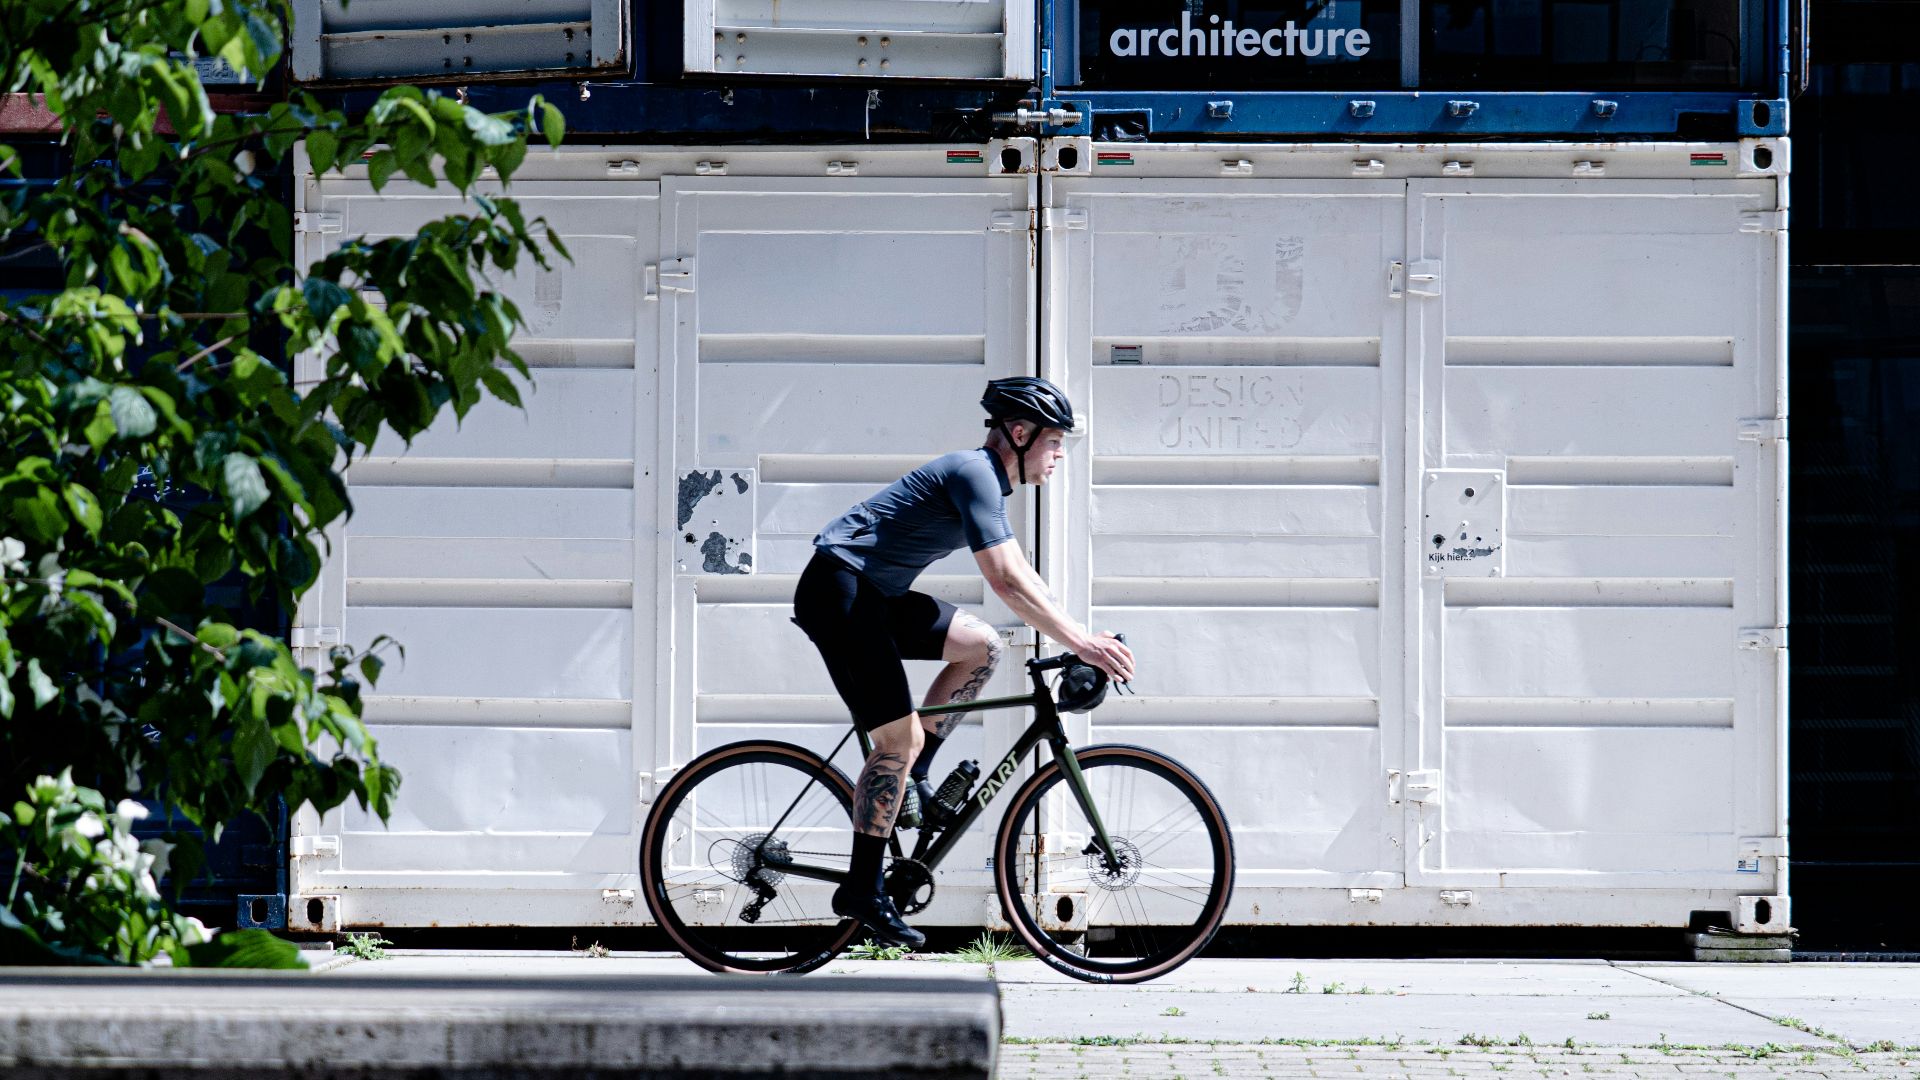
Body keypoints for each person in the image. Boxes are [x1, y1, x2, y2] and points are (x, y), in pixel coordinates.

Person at [791, 376, 1136, 947]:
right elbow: (1002, 580)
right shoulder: (974, 472)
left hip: (875, 595)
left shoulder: (986, 485)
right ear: (1019, 434)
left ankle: (916, 776)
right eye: (1054, 443)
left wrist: (1079, 633)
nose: (1057, 457)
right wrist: (1080, 645)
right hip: (840, 592)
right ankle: (861, 888)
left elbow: (1024, 576)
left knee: (981, 646)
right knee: (893, 744)